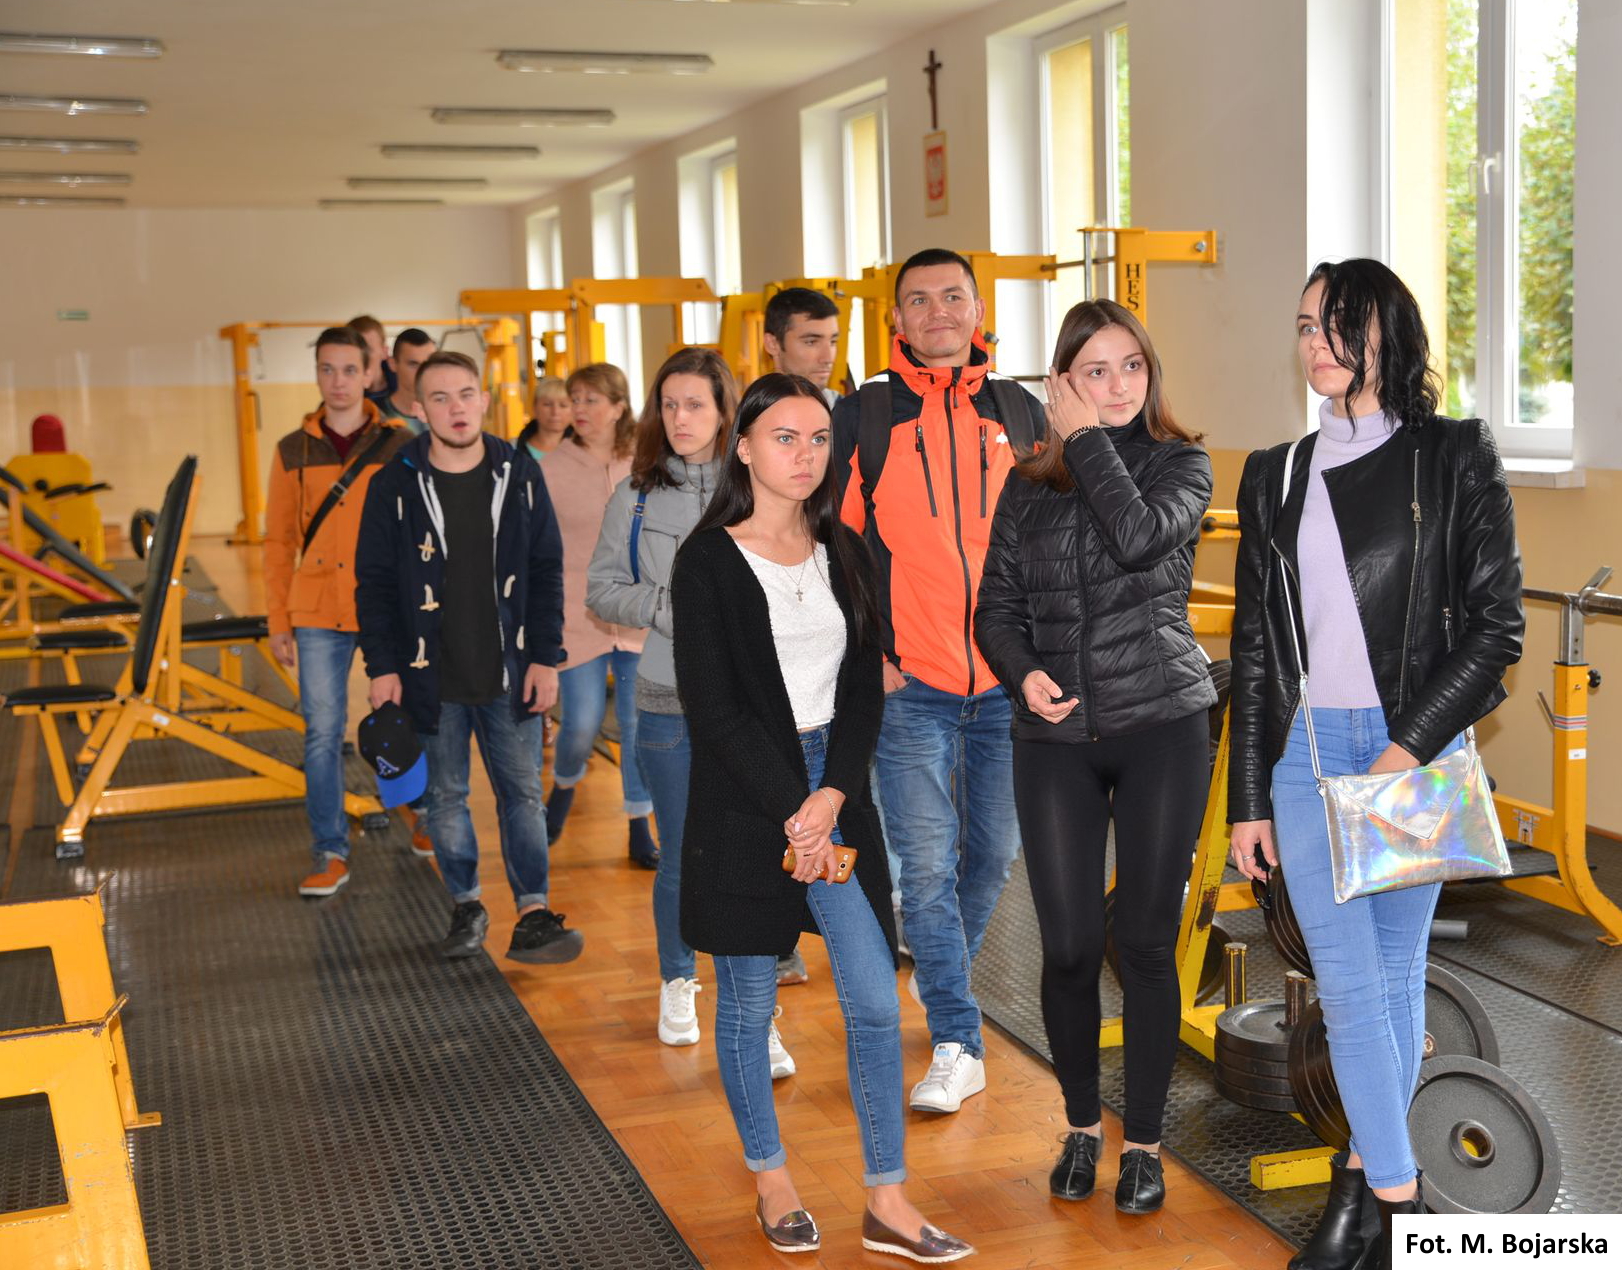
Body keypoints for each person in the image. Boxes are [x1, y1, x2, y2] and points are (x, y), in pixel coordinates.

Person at [1228, 259, 1523, 1270]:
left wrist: (1403, 752)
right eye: (1305, 325)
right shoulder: (1273, 472)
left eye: (1336, 324)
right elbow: (1256, 652)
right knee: (1351, 987)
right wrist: (1246, 799)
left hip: (1414, 753)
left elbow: (1494, 628)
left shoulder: (1453, 455)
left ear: (1386, 335)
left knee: (1395, 981)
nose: (1314, 342)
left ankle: (1360, 1188)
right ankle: (1404, 1211)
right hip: (1308, 757)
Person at [672, 373, 974, 1263]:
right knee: (749, 1002)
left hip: (832, 792)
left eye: (817, 439)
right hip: (745, 800)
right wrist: (793, 811)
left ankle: (887, 1200)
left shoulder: (842, 547)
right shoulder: (708, 562)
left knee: (875, 998)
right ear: (743, 447)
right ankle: (772, 1180)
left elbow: (864, 687)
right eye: (784, 437)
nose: (804, 456)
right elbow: (714, 710)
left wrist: (831, 797)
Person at [975, 299, 1217, 1214]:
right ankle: (1082, 1126)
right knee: (1071, 947)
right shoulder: (1027, 486)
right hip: (1056, 740)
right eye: (1095, 372)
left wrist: (1085, 444)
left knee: (1145, 944)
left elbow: (1139, 537)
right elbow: (996, 609)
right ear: (1061, 383)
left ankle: (1144, 1145)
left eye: (1132, 367)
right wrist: (1022, 672)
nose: (1117, 387)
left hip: (1161, 727)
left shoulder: (1182, 464)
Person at [831, 248, 1045, 1114]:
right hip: (909, 682)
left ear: (978, 309)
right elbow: (838, 548)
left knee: (990, 855)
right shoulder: (867, 414)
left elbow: (1052, 543)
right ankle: (958, 1038)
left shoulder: (1020, 411)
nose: (938, 312)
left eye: (953, 296)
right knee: (924, 866)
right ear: (896, 320)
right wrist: (871, 653)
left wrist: (1038, 658)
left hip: (1005, 683)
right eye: (918, 300)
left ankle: (940, 967)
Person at [587, 350, 804, 1059]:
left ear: (724, 413)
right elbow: (601, 589)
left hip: (754, 703)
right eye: (670, 404)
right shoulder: (636, 494)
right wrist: (668, 606)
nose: (681, 418)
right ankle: (678, 978)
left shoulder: (760, 488)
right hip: (668, 700)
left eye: (696, 405)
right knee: (683, 854)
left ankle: (757, 1014)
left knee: (756, 855)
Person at [355, 350, 583, 965]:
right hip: (429, 678)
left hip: (511, 673)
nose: (455, 409)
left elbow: (546, 570)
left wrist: (546, 658)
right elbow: (373, 584)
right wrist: (382, 667)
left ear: (484, 400)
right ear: (418, 408)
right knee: (446, 798)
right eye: (440, 398)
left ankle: (533, 912)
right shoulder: (394, 484)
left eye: (465, 395)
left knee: (523, 797)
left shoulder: (519, 473)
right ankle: (466, 904)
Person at [264, 326, 409, 897]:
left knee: (401, 719)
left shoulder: (400, 444)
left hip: (385, 606)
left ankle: (417, 810)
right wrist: (279, 620)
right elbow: (278, 543)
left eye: (350, 369)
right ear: (317, 374)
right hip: (317, 609)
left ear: (370, 373)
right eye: (328, 369)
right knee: (322, 733)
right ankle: (329, 849)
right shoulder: (291, 450)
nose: (339, 381)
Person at [539, 362, 657, 868]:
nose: (579, 409)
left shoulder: (645, 462)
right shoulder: (550, 468)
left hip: (635, 613)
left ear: (618, 407)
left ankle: (639, 827)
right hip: (576, 614)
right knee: (583, 723)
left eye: (591, 400)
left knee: (635, 725)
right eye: (575, 400)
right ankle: (563, 787)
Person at [763, 287, 841, 407]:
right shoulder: (751, 415)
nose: (828, 358)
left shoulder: (849, 412)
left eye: (833, 341)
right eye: (811, 342)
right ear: (772, 344)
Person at [381, 328, 437, 431]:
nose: (422, 371)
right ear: (392, 364)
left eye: (428, 364)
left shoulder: (446, 412)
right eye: (413, 364)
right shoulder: (376, 416)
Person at [346, 313, 398, 405]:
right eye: (354, 351)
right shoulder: (339, 395)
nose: (361, 357)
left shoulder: (404, 390)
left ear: (384, 352)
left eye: (368, 350)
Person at [516, 376, 572, 460]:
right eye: (547, 404)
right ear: (535, 407)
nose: (555, 412)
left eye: (563, 405)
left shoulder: (586, 449)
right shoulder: (512, 450)